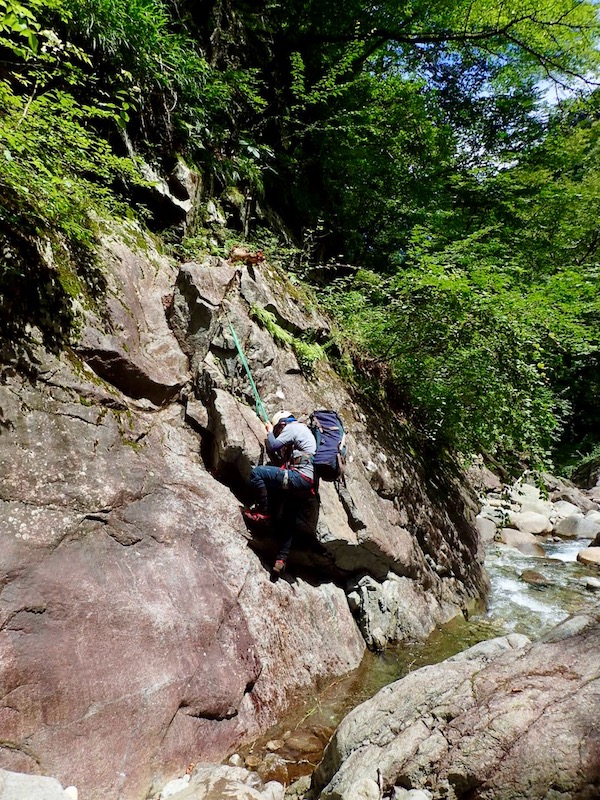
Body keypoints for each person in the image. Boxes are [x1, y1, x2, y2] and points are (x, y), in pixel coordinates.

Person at [244, 411, 317, 574]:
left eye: (278, 430)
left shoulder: (293, 427)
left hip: (298, 477)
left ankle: (263, 512)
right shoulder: (304, 434)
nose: (279, 434)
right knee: (288, 519)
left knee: (257, 473)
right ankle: (281, 559)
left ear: (282, 423)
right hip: (307, 485)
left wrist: (270, 432)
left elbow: (273, 445)